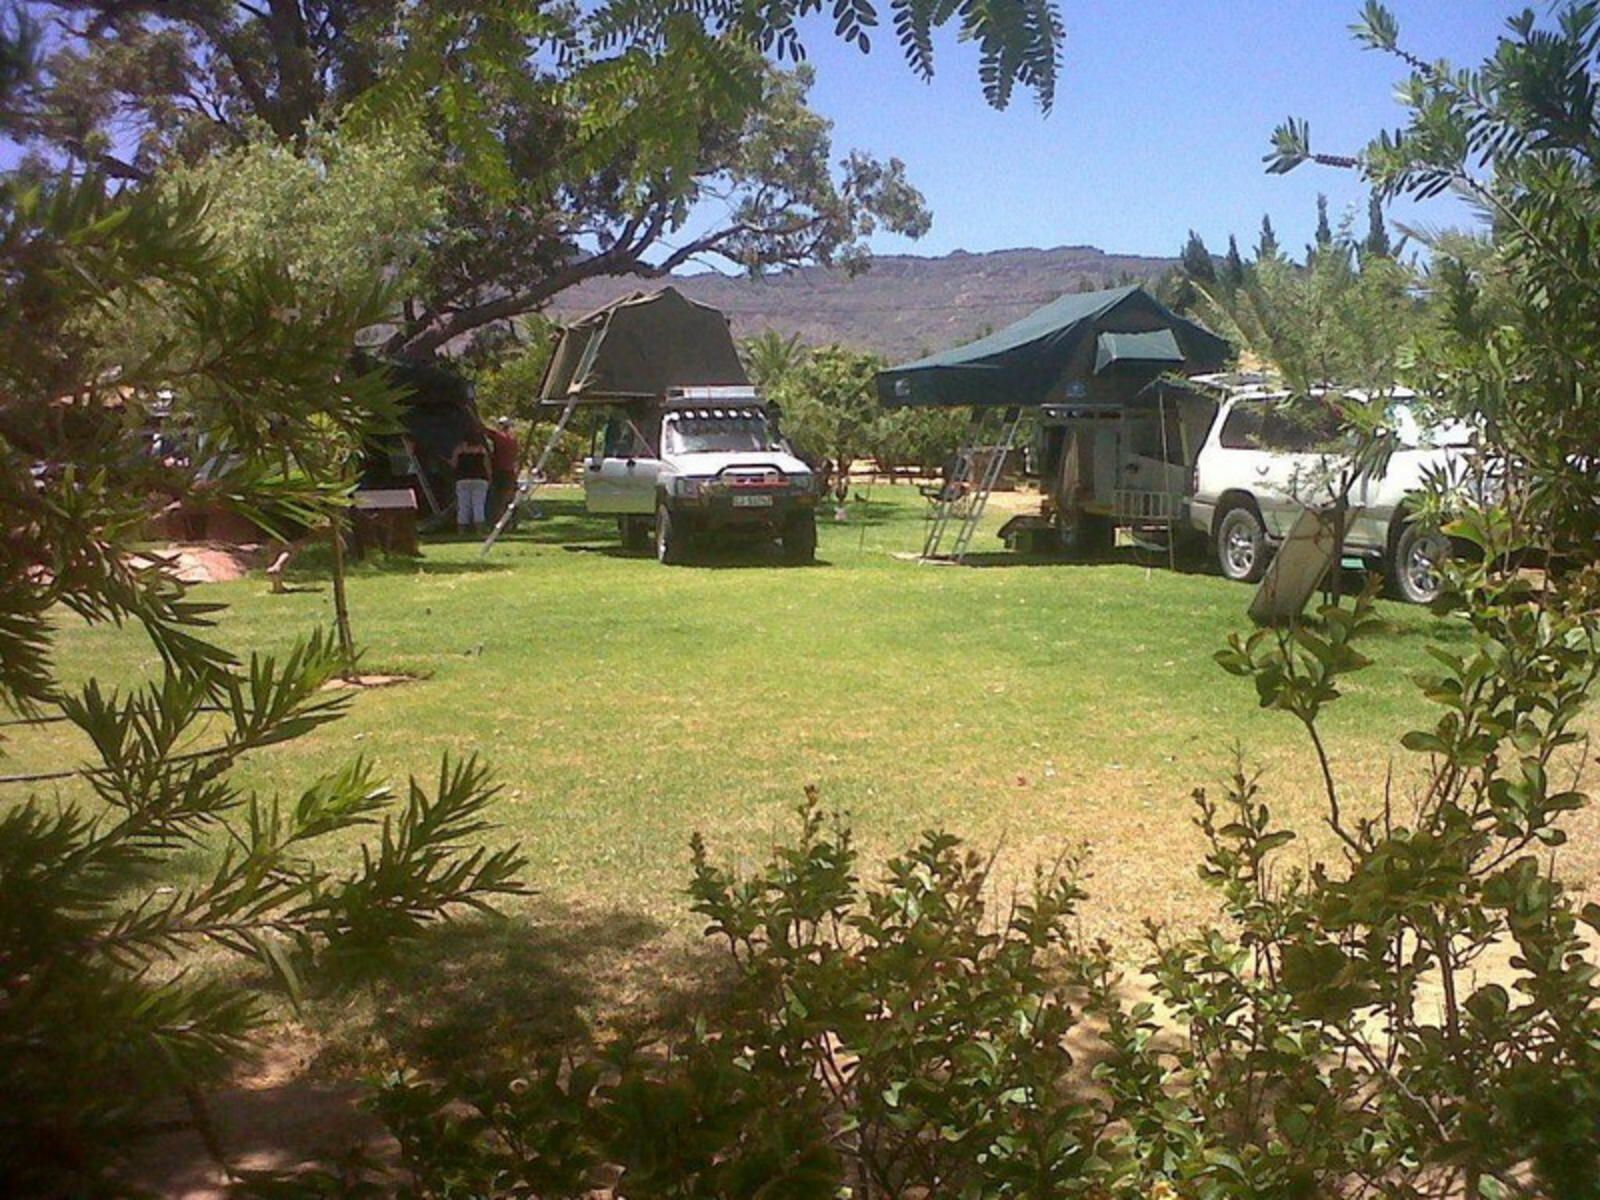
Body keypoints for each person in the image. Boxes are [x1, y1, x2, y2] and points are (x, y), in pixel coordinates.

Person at [449, 432, 491, 532]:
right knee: (478, 505)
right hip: (480, 480)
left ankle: (462, 530)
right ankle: (479, 529)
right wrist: (489, 478)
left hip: (463, 479)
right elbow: (487, 466)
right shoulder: (482, 450)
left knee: (463, 506)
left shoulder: (459, 450)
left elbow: (454, 464)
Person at [487, 416, 520, 526]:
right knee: (510, 498)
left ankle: (500, 523)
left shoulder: (499, 437)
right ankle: (512, 522)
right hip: (511, 472)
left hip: (500, 471)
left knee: (499, 499)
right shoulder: (513, 440)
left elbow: (482, 429)